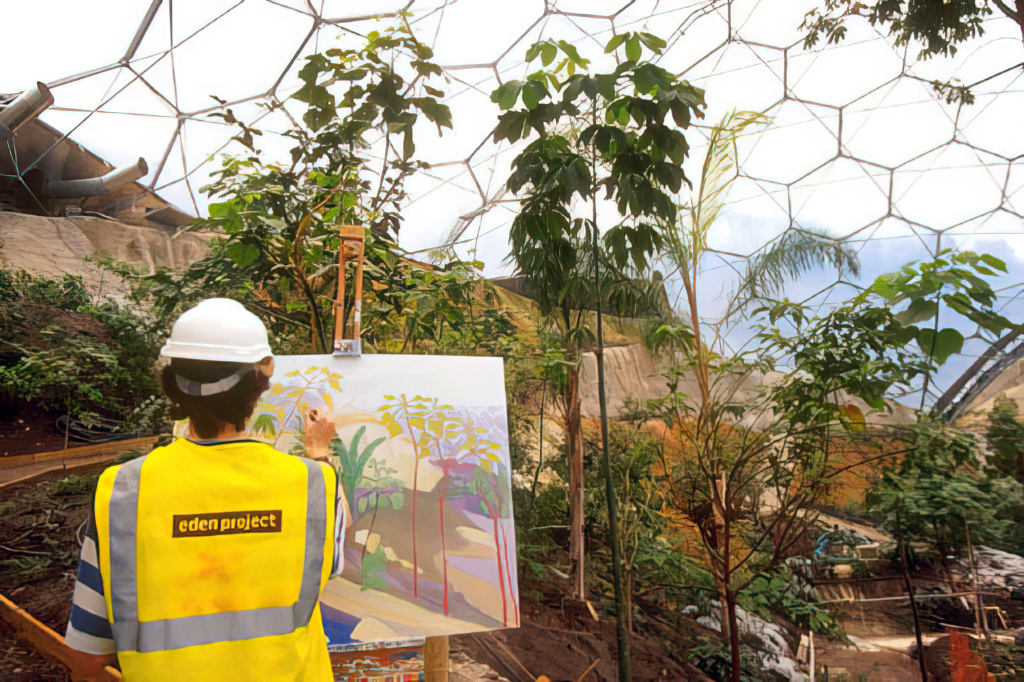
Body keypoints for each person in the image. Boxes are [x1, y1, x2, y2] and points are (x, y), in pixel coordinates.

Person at [63, 298, 346, 681]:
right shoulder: (313, 484)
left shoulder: (123, 490)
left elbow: (86, 657)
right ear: (263, 379)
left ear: (173, 384)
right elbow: (329, 567)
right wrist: (319, 451)